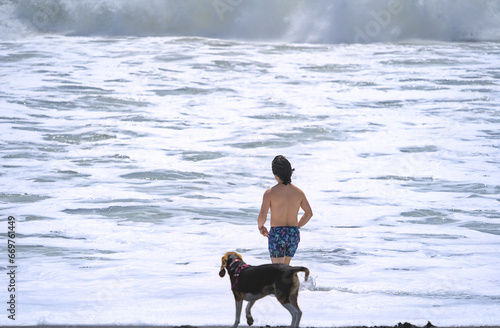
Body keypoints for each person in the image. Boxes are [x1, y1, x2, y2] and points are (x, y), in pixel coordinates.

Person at [257, 155, 313, 264]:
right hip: (293, 233)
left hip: (277, 233)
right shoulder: (299, 192)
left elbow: (263, 214)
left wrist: (260, 227)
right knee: (286, 268)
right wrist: (297, 226)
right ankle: (295, 281)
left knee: (278, 270)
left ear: (275, 175)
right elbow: (309, 213)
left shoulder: (270, 193)